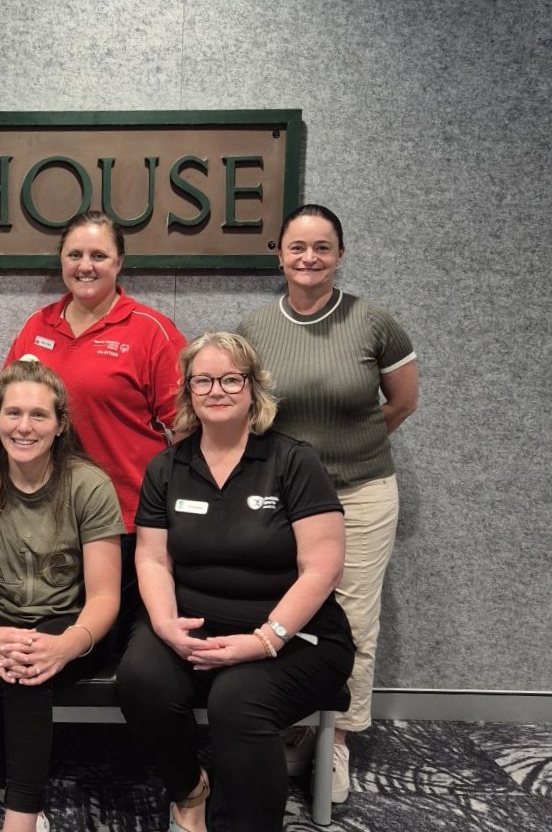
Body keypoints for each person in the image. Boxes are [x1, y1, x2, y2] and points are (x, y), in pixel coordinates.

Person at [117, 332, 355, 832]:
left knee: (237, 701)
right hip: (192, 622)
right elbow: (153, 561)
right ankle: (189, 788)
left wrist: (264, 641)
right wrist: (164, 626)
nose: (216, 390)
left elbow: (323, 567)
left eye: (230, 379)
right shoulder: (167, 467)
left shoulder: (293, 461)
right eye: (202, 380)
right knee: (142, 680)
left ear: (253, 389)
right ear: (187, 391)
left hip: (293, 635)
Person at [236, 204, 418, 802]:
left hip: (362, 491)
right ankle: (292, 723)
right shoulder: (256, 328)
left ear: (340, 254)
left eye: (322, 247)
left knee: (354, 618)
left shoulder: (374, 323)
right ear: (279, 254)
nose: (308, 258)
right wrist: (299, 471)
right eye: (297, 247)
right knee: (284, 607)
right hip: (282, 498)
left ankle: (336, 740)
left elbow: (402, 403)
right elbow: (246, 411)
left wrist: (343, 452)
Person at [0, 358, 124, 832]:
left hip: (73, 622)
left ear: (60, 424)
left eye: (38, 415)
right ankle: (9, 784)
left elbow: (106, 595)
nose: (23, 426)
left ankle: (19, 819)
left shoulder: (90, 485)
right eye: (13, 413)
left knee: (28, 671)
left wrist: (66, 645)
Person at [5, 211, 186, 626]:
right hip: (47, 517)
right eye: (75, 254)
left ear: (119, 263)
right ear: (61, 261)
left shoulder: (151, 331)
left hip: (126, 520)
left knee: (111, 644)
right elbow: (7, 410)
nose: (85, 266)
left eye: (98, 255)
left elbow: (187, 427)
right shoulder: (37, 325)